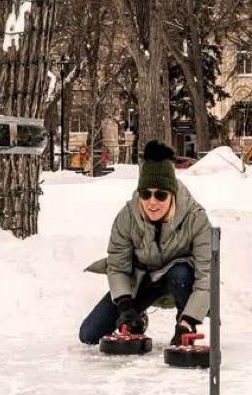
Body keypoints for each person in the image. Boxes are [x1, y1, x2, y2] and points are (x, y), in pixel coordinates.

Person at [79, 140, 212, 347]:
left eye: (160, 195)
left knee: (180, 274)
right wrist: (125, 307)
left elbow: (206, 276)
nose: (152, 202)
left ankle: (184, 320)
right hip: (143, 281)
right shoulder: (126, 217)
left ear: (172, 194)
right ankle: (138, 319)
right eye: (146, 193)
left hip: (180, 281)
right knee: (88, 334)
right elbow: (117, 266)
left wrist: (190, 319)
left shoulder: (197, 219)